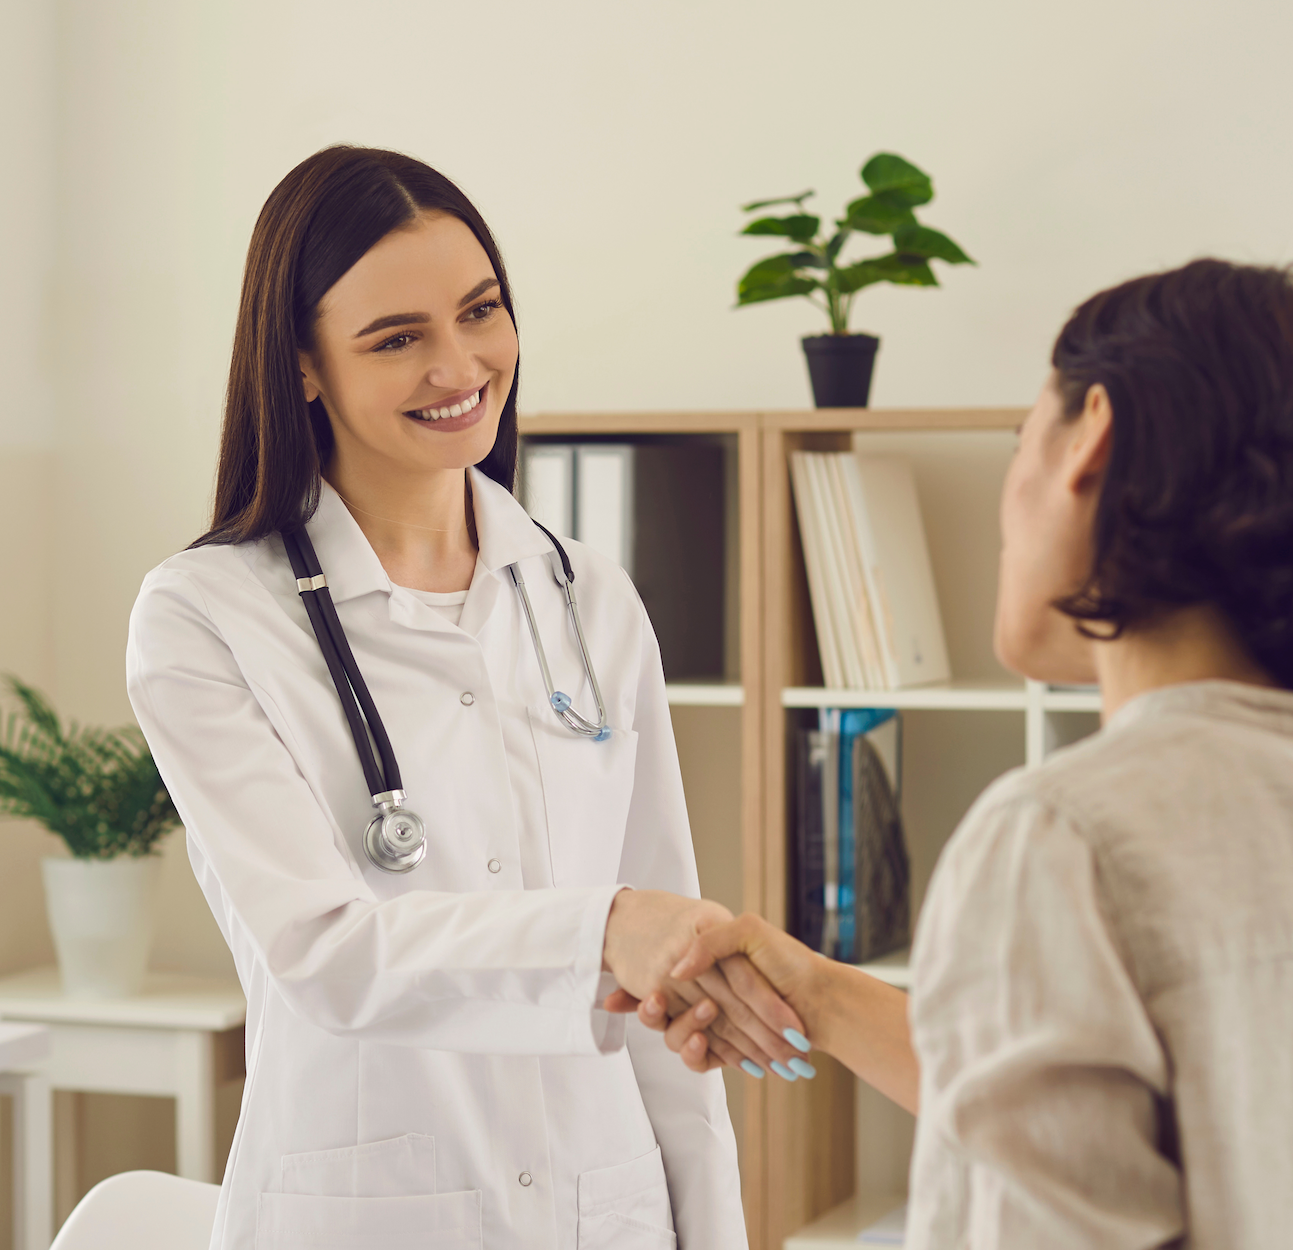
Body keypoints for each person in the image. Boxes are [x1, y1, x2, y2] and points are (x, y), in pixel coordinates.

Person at [631, 260, 1293, 1247]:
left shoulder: (1062, 834)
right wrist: (821, 996)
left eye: (1020, 440)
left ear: (1092, 435)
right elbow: (1202, 1128)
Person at [125, 145, 802, 1250]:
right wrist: (603, 929)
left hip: (604, 1204)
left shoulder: (588, 597)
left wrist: (712, 1228)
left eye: (479, 311)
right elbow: (324, 955)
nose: (461, 365)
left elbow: (666, 982)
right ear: (302, 366)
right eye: (397, 339)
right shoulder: (205, 616)